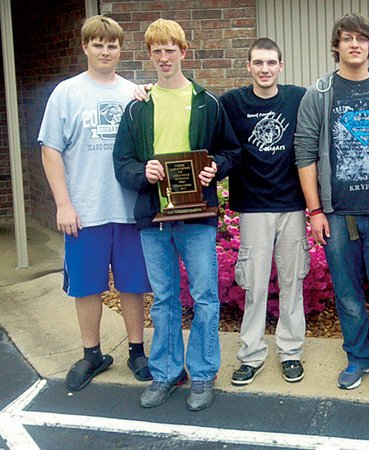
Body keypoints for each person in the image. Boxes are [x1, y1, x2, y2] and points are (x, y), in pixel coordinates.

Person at [113, 18, 240, 412]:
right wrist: (142, 173)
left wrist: (214, 167)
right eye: (157, 51)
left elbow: (231, 152)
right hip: (154, 215)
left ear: (184, 52)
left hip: (197, 216)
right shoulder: (137, 108)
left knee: (204, 297)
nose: (164, 57)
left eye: (171, 49)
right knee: (165, 298)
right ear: (149, 55)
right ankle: (166, 372)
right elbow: (122, 163)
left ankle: (202, 374)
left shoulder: (207, 102)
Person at [294, 13, 369, 392]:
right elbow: (304, 152)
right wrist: (315, 210)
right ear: (337, 46)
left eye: (362, 38)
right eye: (347, 38)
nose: (355, 44)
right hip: (338, 213)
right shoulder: (321, 93)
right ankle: (358, 357)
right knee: (347, 293)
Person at [38, 15, 152, 392]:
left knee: (132, 285)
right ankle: (92, 354)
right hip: (84, 211)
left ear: (121, 49)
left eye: (113, 44)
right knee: (86, 286)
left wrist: (148, 101)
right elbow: (51, 151)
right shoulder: (67, 93)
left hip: (129, 209)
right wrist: (63, 204)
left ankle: (137, 351)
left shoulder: (134, 93)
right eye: (98, 44)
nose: (106, 51)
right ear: (85, 47)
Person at [219, 38, 309, 385]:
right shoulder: (232, 102)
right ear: (248, 67)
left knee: (292, 282)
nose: (265, 69)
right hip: (254, 207)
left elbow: (335, 96)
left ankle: (290, 352)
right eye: (258, 63)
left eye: (271, 62)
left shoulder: (299, 97)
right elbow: (196, 103)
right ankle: (251, 354)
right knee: (254, 287)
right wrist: (147, 89)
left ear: (281, 66)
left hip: (292, 205)